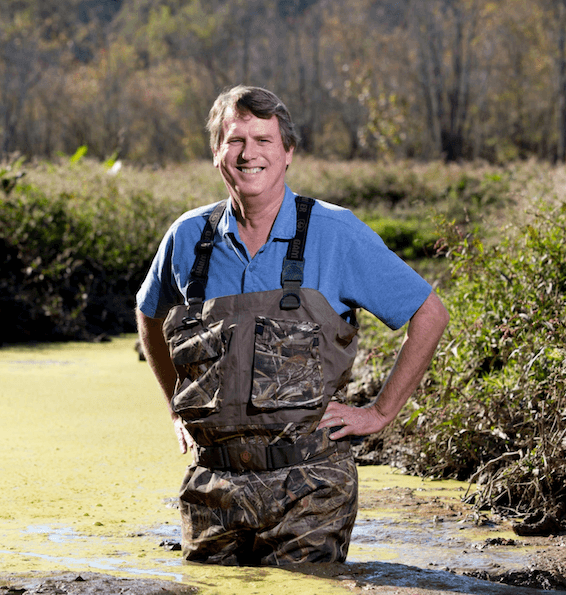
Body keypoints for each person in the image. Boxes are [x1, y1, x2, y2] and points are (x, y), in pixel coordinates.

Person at [135, 85, 449, 566]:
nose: (249, 154)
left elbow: (430, 313)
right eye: (235, 140)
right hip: (211, 491)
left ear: (288, 152)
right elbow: (148, 311)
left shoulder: (335, 232)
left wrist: (380, 412)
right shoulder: (186, 236)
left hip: (311, 491)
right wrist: (177, 409)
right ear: (217, 153)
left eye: (264, 140)